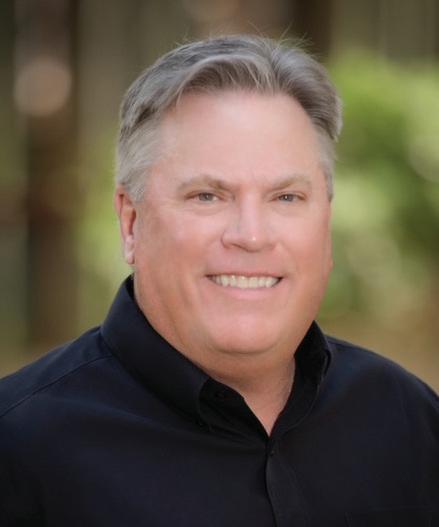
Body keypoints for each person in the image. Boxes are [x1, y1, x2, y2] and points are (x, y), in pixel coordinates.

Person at [1, 35, 438, 527]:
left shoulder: (409, 421)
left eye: (286, 197)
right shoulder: (18, 448)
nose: (251, 236)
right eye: (207, 196)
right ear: (131, 222)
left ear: (325, 223)